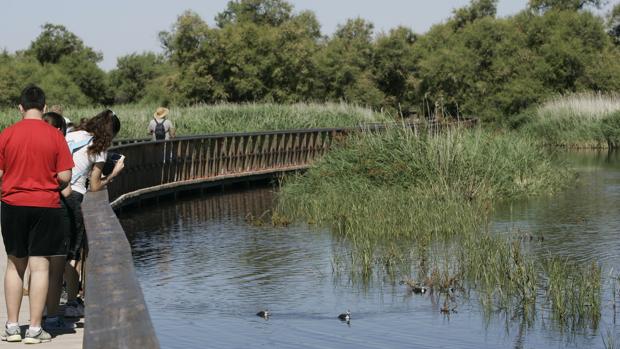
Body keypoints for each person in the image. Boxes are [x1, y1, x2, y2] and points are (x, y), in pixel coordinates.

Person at [0, 85, 74, 344]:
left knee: (14, 264)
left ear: (20, 107)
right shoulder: (55, 136)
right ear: (44, 108)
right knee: (40, 266)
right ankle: (33, 329)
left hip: (12, 204)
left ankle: (11, 327)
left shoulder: (6, 135)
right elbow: (65, 177)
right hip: (46, 205)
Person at [63, 109, 125, 319]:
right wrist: (113, 174)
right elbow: (96, 185)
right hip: (75, 197)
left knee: (52, 252)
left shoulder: (70, 134)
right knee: (72, 253)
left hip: (54, 193)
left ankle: (48, 305)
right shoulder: (99, 147)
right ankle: (72, 303)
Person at [41, 112, 75, 331]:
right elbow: (66, 182)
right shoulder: (57, 143)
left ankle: (36, 316)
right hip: (54, 205)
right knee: (54, 266)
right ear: (61, 129)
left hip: (23, 205)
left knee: (34, 265)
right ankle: (51, 317)